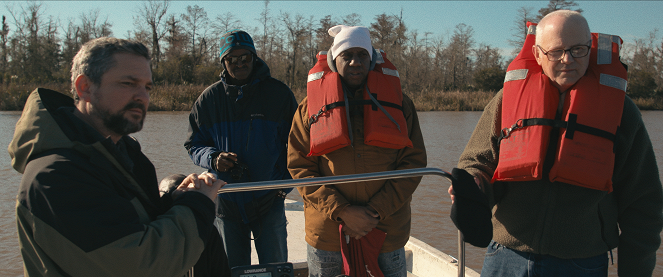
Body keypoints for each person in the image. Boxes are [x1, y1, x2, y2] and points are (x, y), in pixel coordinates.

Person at [451, 10, 663, 276]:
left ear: (590, 49)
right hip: (505, 256)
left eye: (578, 50)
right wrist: (474, 182)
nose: (568, 59)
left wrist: (636, 270)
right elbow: (475, 160)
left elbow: (644, 204)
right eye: (556, 51)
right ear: (538, 54)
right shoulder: (508, 99)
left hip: (581, 262)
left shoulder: (623, 112)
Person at [8, 37, 230, 276]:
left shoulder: (115, 154)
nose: (142, 97)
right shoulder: (55, 176)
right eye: (128, 83)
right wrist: (197, 205)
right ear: (85, 87)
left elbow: (126, 225)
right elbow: (140, 265)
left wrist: (174, 200)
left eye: (147, 87)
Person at [287, 25, 427, 277]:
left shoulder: (400, 104)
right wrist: (342, 211)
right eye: (347, 55)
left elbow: (413, 163)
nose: (355, 62)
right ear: (333, 59)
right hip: (328, 234)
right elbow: (299, 167)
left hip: (386, 230)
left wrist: (375, 211)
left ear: (371, 58)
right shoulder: (308, 108)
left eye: (362, 55)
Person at [185, 30, 297, 269]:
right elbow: (194, 144)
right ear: (223, 62)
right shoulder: (208, 100)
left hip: (269, 198)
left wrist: (282, 188)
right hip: (226, 201)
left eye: (245, 57)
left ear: (254, 57)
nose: (239, 63)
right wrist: (213, 158)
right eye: (232, 59)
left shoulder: (279, 95)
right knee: (230, 270)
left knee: (277, 268)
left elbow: (300, 147)